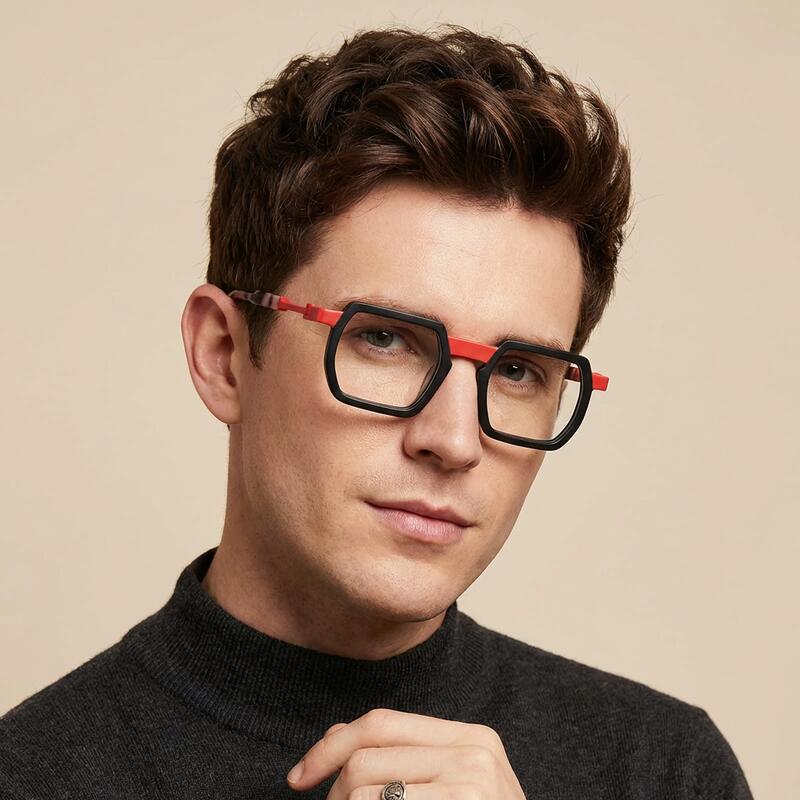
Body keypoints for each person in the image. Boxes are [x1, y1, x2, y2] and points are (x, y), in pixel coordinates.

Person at [0, 23, 753, 800]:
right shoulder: (31, 777)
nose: (454, 440)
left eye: (517, 370)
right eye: (384, 339)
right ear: (223, 354)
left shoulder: (666, 771)